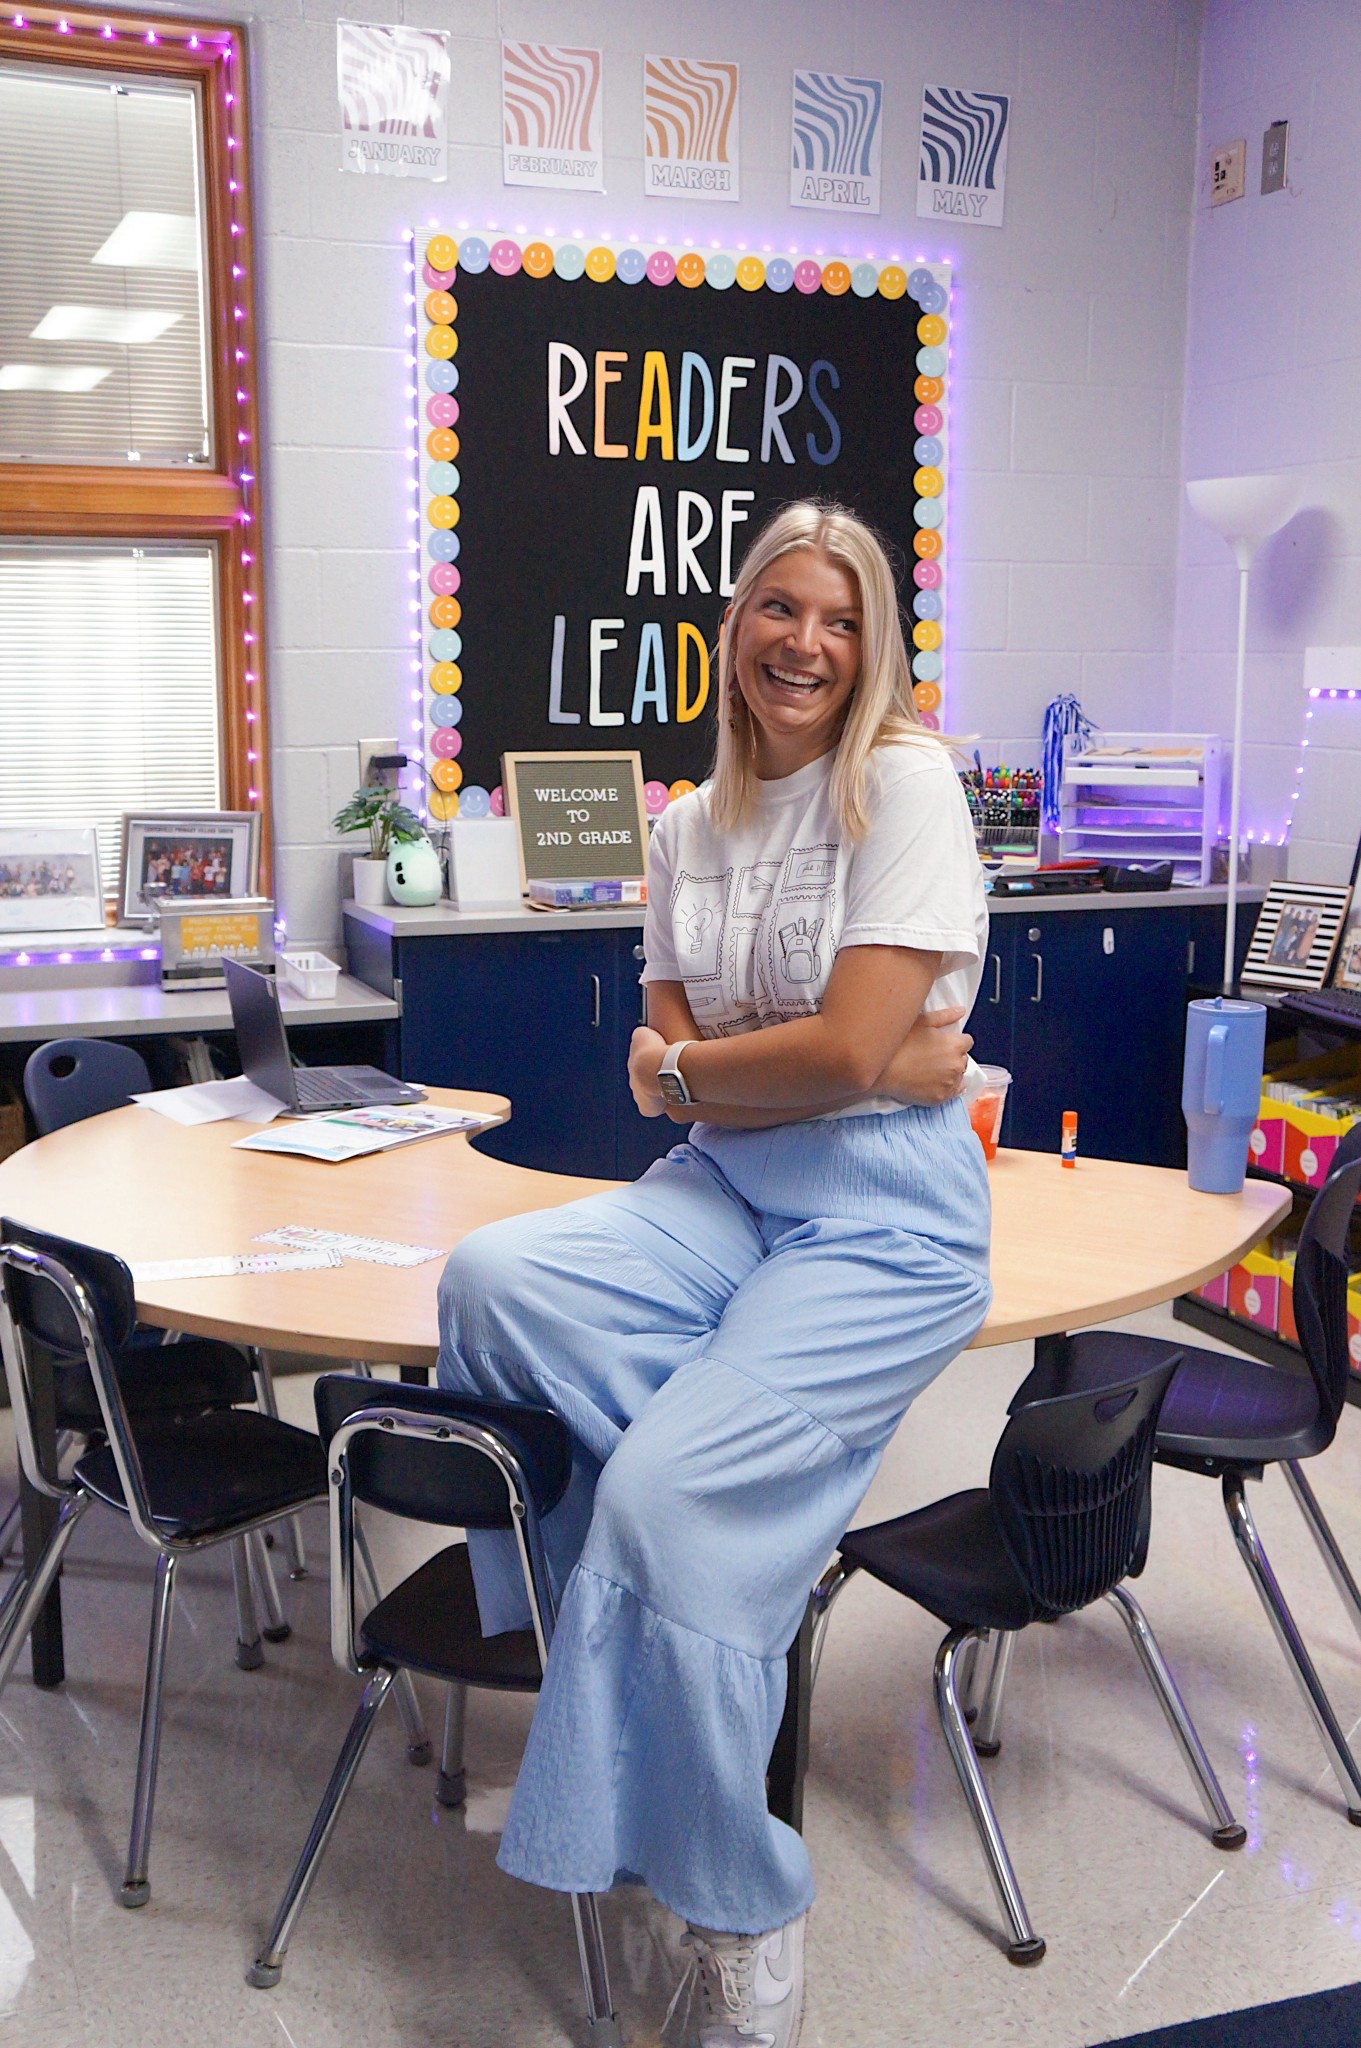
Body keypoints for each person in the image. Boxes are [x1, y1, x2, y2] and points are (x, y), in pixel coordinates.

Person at [435, 500, 991, 2047]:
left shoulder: (905, 788)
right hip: (723, 1188)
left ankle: (747, 1912)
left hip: (886, 1224)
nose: (805, 642)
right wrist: (839, 1065)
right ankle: (607, 1699)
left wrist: (775, 1070)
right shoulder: (686, 829)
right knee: (492, 1283)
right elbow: (722, 1067)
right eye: (777, 610)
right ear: (732, 628)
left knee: (668, 1503)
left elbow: (782, 1056)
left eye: (839, 617)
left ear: (870, 642)